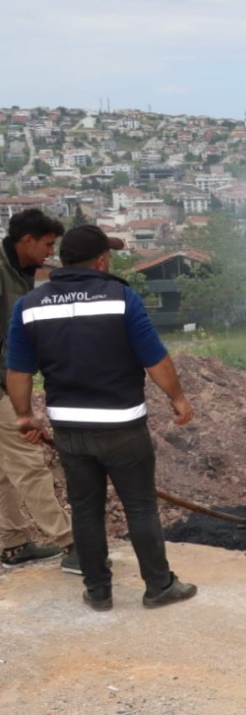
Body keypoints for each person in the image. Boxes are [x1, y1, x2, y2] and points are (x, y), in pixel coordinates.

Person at [5, 224, 197, 611]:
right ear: (101, 260)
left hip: (70, 430)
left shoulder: (29, 306)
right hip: (122, 426)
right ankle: (158, 587)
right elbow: (155, 359)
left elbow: (18, 372)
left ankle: (98, 591)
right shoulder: (121, 297)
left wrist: (25, 417)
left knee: (86, 508)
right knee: (139, 505)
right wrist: (177, 398)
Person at [0, 209, 76, 572]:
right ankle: (72, 543)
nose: (50, 251)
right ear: (26, 240)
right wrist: (17, 402)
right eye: (47, 244)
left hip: (4, 380)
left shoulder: (20, 272)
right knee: (28, 462)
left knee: (5, 469)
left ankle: (12, 545)